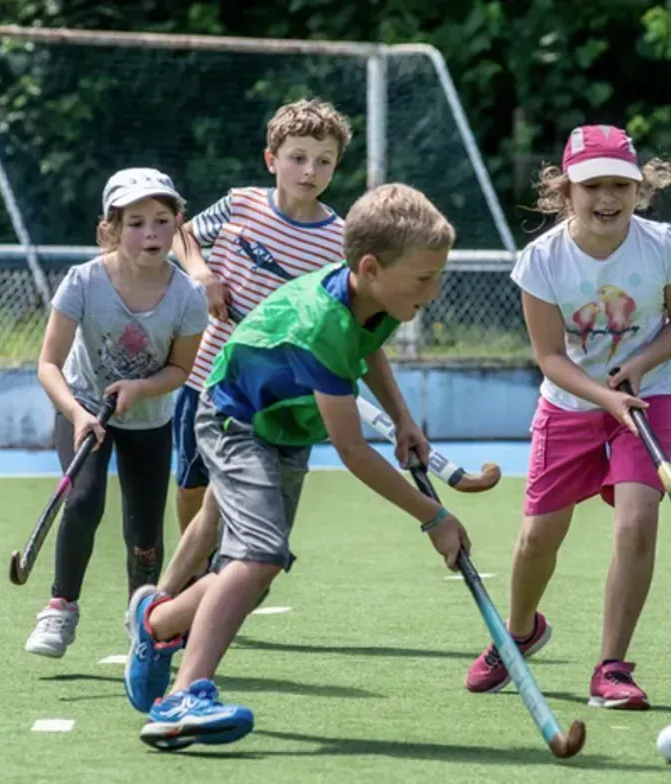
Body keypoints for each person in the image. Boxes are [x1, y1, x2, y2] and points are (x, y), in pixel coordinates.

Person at [123, 183, 472, 750]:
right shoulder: (320, 327)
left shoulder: (378, 298)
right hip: (237, 423)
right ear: (369, 266)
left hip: (284, 428)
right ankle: (181, 698)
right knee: (257, 556)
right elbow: (355, 452)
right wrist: (434, 518)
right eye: (424, 277)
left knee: (252, 579)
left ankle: (157, 624)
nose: (433, 291)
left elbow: (370, 346)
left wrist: (403, 418)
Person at [464, 125, 671, 709]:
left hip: (645, 400)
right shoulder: (542, 260)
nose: (607, 197)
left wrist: (640, 367)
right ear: (565, 190)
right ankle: (518, 633)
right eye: (592, 185)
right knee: (538, 539)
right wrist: (603, 396)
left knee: (637, 523)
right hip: (570, 402)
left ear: (639, 188)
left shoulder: (666, 246)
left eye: (621, 184)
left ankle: (613, 667)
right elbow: (548, 357)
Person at [161, 98, 353, 595]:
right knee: (192, 486)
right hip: (207, 374)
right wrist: (201, 273)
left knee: (251, 493)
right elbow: (183, 235)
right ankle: (198, 578)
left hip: (274, 395)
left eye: (324, 160)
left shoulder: (340, 241)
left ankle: (229, 578)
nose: (310, 171)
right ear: (273, 160)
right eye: (298, 157)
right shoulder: (240, 203)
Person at [24, 168, 209, 658]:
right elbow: (47, 364)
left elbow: (179, 370)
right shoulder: (83, 282)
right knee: (83, 502)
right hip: (84, 408)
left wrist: (142, 387)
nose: (151, 233)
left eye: (162, 220)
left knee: (144, 532)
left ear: (178, 225)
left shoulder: (188, 295)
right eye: (136, 222)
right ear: (111, 227)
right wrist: (78, 414)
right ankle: (60, 607)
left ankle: (143, 619)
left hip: (149, 419)